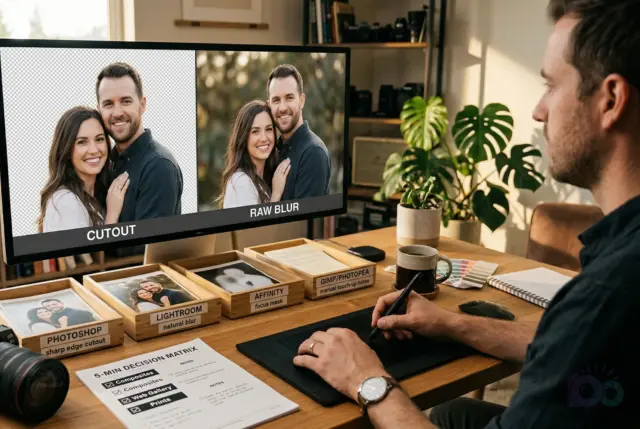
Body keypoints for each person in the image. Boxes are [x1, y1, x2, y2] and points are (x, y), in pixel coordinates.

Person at [293, 1, 640, 428]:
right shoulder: (614, 277)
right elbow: (564, 346)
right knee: (457, 411)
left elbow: (583, 335)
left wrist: (366, 378)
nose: (538, 110)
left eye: (551, 85)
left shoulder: (608, 297)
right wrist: (450, 324)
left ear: (611, 100)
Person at [96, 62, 183, 222]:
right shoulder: (104, 162)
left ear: (142, 105)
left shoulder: (159, 166)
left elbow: (146, 247)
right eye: (108, 104)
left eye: (126, 101)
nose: (117, 112)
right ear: (99, 110)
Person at [38, 106, 130, 232]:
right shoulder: (66, 201)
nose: (94, 150)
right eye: (82, 142)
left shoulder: (95, 197)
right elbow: (84, 252)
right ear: (67, 149)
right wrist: (112, 216)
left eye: (99, 139)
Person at [267, 64, 331, 200]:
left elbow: (303, 220)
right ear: (269, 105)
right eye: (276, 100)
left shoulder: (313, 152)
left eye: (289, 98)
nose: (282, 107)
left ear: (301, 101)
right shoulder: (272, 150)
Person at [218, 100, 291, 208]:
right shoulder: (241, 182)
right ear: (244, 137)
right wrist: (276, 194)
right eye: (255, 131)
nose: (264, 138)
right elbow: (261, 225)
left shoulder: (260, 178)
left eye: (268, 129)